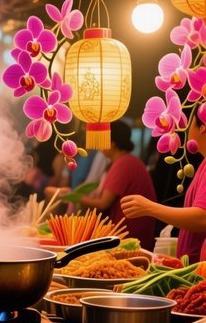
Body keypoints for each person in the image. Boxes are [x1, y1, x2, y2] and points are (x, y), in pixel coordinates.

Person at [123, 112, 206, 263]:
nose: (185, 127)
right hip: (192, 265)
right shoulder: (203, 163)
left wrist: (149, 207)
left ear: (203, 127)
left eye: (190, 121)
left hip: (198, 269)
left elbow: (202, 218)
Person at [79, 120, 158, 250]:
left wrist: (73, 196)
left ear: (112, 144)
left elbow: (103, 203)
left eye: (102, 139)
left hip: (130, 238)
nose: (98, 144)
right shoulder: (126, 160)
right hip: (130, 234)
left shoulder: (123, 163)